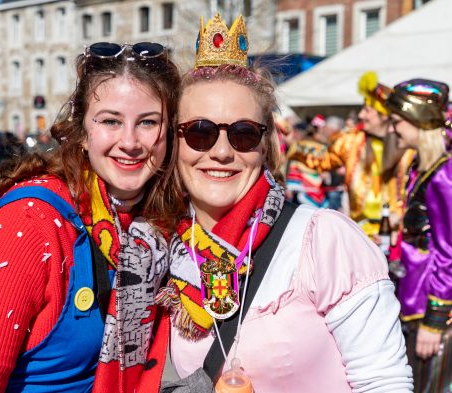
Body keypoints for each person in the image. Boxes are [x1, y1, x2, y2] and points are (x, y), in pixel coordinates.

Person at [157, 13, 413, 391]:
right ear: (174, 143)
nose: (222, 152)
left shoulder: (321, 240)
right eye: (200, 132)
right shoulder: (167, 251)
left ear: (265, 146)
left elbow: (384, 381)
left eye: (243, 134)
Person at [0, 42, 182, 392]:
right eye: (111, 121)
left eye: (147, 122)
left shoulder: (162, 222)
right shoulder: (31, 222)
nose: (130, 141)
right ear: (82, 133)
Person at [287, 71, 414, 241]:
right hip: (360, 235)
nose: (361, 115)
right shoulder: (351, 141)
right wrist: (293, 144)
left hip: (397, 237)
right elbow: (321, 160)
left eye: (367, 110)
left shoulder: (407, 146)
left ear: (384, 116)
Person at [385, 79, 452, 392]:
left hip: (431, 306)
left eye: (397, 121)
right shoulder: (420, 166)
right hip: (413, 296)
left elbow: (448, 251)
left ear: (418, 119)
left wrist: (435, 320)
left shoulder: (443, 175)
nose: (392, 129)